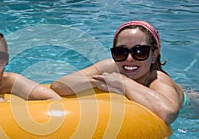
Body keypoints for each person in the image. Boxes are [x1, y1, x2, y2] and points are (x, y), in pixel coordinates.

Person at [51, 21, 187, 125]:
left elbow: (168, 113)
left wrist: (122, 82)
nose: (129, 59)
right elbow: (59, 85)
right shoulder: (111, 67)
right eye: (121, 52)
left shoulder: (158, 80)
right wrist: (100, 82)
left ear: (154, 54)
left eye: (140, 52)